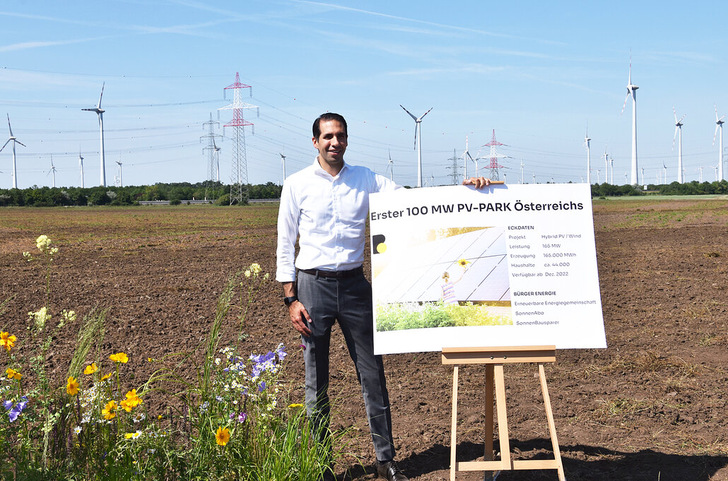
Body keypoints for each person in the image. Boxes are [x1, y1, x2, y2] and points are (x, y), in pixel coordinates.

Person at [276, 112, 490, 481]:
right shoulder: (296, 184)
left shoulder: (366, 179)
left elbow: (412, 201)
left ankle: (385, 459)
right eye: (327, 136)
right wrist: (290, 299)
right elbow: (284, 243)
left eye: (340, 136)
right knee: (316, 380)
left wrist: (464, 189)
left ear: (346, 140)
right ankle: (321, 465)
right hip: (312, 287)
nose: (334, 142)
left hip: (356, 286)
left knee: (373, 374)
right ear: (315, 142)